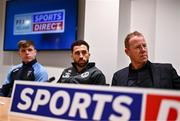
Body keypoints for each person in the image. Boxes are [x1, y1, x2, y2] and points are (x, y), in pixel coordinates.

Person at [111, 31, 180, 89]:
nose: (143, 50)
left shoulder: (167, 71)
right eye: (138, 47)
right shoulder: (118, 77)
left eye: (144, 45)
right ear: (127, 52)